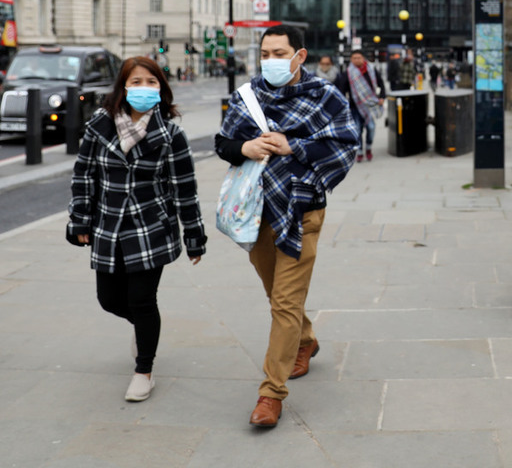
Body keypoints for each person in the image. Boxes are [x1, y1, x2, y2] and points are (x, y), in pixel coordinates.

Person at [214, 24, 360, 428]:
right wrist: (245, 147)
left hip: (301, 210)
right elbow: (223, 143)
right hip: (255, 212)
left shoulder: (325, 97)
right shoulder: (247, 96)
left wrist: (294, 145)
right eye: (265, 53)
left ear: (300, 56)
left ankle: (270, 394)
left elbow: (346, 145)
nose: (271, 61)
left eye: (279, 53)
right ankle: (306, 340)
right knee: (276, 292)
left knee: (284, 302)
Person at [66, 56, 206, 403]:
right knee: (109, 299)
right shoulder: (99, 126)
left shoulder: (172, 134)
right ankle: (144, 331)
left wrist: (194, 236)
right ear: (123, 88)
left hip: (151, 227)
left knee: (143, 300)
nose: (143, 89)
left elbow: (184, 187)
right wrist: (80, 218)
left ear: (162, 88)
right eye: (136, 82)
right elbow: (84, 174)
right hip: (108, 225)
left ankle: (144, 369)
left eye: (151, 82)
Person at [335, 49, 386, 162]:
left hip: (370, 105)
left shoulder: (371, 70)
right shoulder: (347, 74)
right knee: (357, 130)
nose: (357, 60)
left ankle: (368, 148)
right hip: (354, 106)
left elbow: (381, 83)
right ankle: (360, 152)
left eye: (359, 58)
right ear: (351, 60)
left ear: (363, 58)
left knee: (371, 128)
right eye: (354, 58)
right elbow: (341, 90)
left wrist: (382, 96)